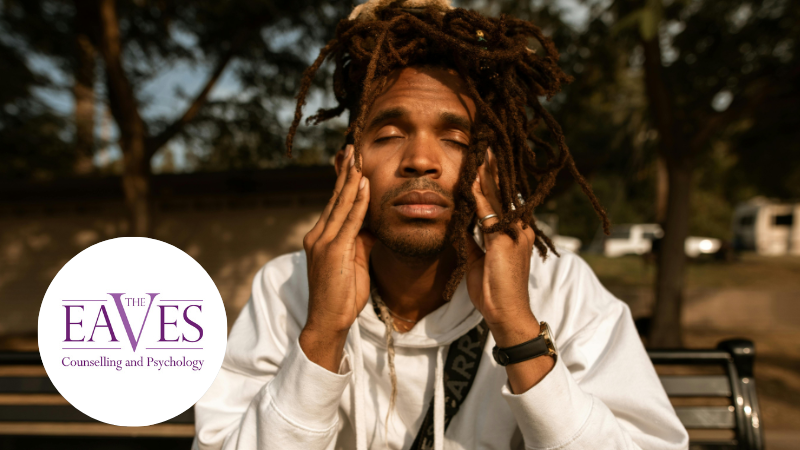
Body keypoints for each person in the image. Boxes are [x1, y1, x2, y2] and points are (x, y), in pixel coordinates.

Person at [193, 1, 689, 449]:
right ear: (347, 166)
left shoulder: (559, 287)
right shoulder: (288, 287)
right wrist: (322, 335)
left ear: (491, 167)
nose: (422, 160)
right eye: (388, 134)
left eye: (455, 138)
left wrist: (517, 330)